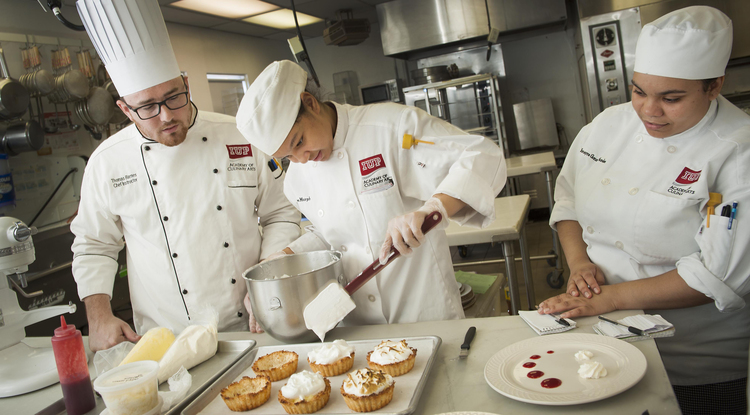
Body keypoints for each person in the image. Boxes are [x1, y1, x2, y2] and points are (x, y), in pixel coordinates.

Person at [537, 6, 750, 414]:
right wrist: (580, 262)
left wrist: (611, 299)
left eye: (671, 98)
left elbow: (715, 275)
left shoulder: (736, 153)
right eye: (638, 91)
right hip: (602, 340)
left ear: (714, 85)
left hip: (692, 361)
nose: (649, 111)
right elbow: (567, 201)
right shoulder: (606, 126)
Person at [71, 0, 300, 352]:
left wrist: (268, 274)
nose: (166, 116)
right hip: (166, 340)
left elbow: (281, 213)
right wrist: (99, 316)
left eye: (174, 96)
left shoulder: (238, 136)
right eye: (147, 107)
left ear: (185, 83)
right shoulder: (107, 163)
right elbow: (94, 246)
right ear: (124, 109)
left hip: (252, 325)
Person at [236, 60, 506, 330]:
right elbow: (329, 234)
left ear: (310, 103)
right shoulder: (296, 180)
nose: (301, 159)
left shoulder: (390, 126)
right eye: (287, 157)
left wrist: (432, 208)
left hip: (423, 313)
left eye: (299, 142)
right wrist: (286, 255)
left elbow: (483, 156)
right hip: (356, 327)